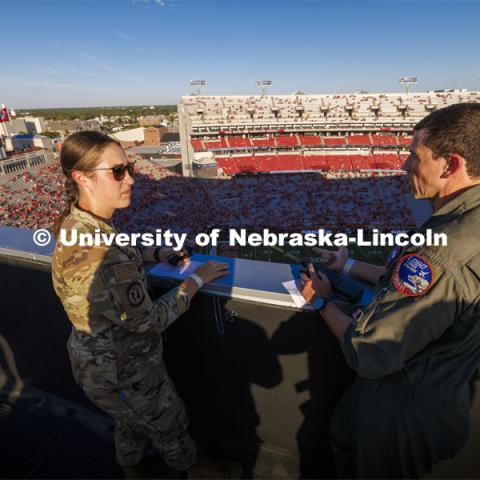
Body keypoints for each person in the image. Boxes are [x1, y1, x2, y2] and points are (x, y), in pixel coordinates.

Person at [299, 103, 480, 478]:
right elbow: (427, 283)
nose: (404, 166)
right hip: (447, 396)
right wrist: (348, 265)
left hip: (402, 412)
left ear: (451, 166)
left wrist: (321, 302)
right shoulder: (467, 226)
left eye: (415, 156)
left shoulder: (439, 248)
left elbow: (370, 353)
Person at [51, 131, 236, 478]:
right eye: (118, 171)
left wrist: (155, 254)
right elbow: (149, 320)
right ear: (82, 177)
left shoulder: (78, 223)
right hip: (125, 370)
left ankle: (132, 470)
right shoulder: (100, 251)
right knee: (171, 424)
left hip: (100, 364)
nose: (131, 179)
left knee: (129, 423)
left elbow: (114, 253)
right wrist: (198, 279)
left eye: (129, 167)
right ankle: (194, 470)